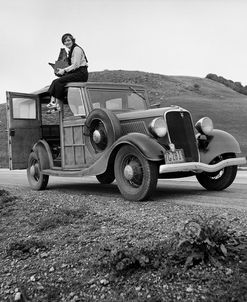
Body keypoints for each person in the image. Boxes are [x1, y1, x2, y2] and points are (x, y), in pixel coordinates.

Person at [47, 33, 88, 113]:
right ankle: (54, 103)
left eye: (68, 40)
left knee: (58, 82)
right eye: (65, 41)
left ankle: (55, 104)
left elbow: (76, 64)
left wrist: (64, 70)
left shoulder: (76, 49)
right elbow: (71, 66)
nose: (67, 42)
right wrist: (61, 70)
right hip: (76, 72)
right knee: (56, 81)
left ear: (72, 40)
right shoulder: (71, 51)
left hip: (81, 73)